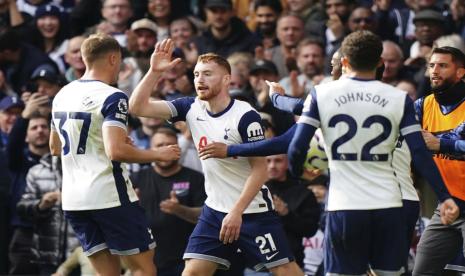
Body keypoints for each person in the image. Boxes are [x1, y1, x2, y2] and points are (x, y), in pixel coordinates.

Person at [287, 30, 458, 275]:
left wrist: (300, 173)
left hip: (345, 205)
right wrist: (445, 196)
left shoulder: (321, 94)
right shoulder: (399, 98)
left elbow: (296, 147)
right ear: (380, 63)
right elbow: (420, 153)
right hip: (388, 206)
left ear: (344, 62)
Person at [129, 38, 304, 276]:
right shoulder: (190, 107)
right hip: (214, 211)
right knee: (192, 273)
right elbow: (137, 108)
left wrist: (236, 212)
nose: (200, 79)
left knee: (285, 271)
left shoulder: (245, 116)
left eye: (208, 74)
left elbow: (260, 169)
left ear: (226, 80)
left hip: (252, 211)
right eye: (197, 74)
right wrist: (154, 72)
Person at [49, 33, 181, 276]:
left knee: (105, 273)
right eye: (119, 61)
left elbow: (55, 148)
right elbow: (116, 151)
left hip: (74, 199)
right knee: (143, 268)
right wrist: (158, 154)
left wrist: (101, 139)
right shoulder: (112, 96)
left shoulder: (62, 95)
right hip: (109, 194)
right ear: (112, 58)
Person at [412, 46, 465, 275]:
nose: (435, 71)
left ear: (460, 72)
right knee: (421, 270)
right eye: (432, 65)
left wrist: (441, 144)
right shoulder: (423, 106)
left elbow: (436, 144)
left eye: (443, 65)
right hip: (448, 205)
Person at [131, 127, 206, 275]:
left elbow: (206, 217)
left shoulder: (196, 178)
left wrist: (180, 210)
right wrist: (131, 208)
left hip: (186, 262)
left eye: (169, 145)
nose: (164, 150)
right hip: (147, 262)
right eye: (159, 146)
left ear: (178, 148)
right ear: (150, 149)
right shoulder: (136, 179)